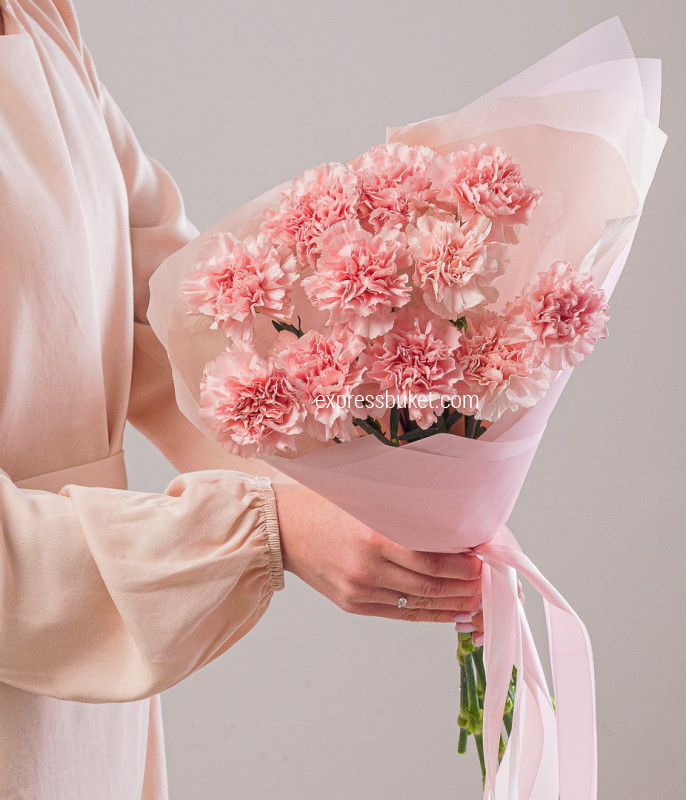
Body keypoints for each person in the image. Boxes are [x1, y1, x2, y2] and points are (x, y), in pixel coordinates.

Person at [0, 1, 483, 796]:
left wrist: (377, 467)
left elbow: (166, 315)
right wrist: (269, 529)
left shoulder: (39, 19)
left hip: (84, 709)